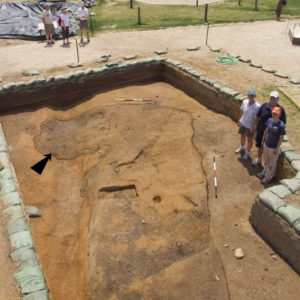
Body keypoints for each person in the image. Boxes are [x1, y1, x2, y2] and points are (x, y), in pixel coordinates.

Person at [252, 91, 286, 166]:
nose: (272, 100)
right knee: (260, 145)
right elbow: (258, 116)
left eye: (274, 98)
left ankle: (267, 165)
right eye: (271, 98)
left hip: (272, 135)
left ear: (278, 99)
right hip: (261, 131)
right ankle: (259, 158)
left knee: (269, 149)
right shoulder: (264, 106)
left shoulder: (281, 110)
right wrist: (255, 126)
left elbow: (283, 124)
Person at [258, 107, 286, 184]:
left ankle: (268, 178)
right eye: (273, 113)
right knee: (266, 161)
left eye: (276, 114)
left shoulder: (281, 125)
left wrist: (277, 148)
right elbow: (266, 131)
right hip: (266, 145)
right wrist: (263, 141)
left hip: (273, 148)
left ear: (279, 115)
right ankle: (264, 172)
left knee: (272, 163)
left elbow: (281, 138)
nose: (274, 115)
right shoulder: (270, 120)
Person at [235, 90, 260, 160]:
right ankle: (242, 147)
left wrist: (254, 127)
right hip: (243, 122)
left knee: (249, 139)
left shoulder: (257, 106)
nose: (251, 97)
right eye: (250, 95)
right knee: (242, 135)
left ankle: (247, 152)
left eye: (253, 96)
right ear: (248, 95)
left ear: (255, 97)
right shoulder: (244, 102)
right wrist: (239, 120)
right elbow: (241, 111)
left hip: (250, 126)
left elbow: (257, 118)